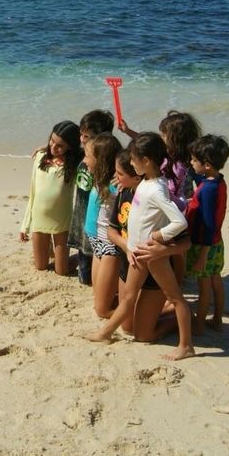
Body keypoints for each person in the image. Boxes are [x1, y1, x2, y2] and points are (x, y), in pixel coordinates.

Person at [86, 133, 195, 360]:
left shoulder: (157, 189)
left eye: (134, 160)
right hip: (136, 253)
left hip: (152, 255)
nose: (131, 163)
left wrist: (160, 237)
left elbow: (180, 222)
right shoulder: (145, 182)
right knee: (128, 299)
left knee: (175, 298)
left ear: (146, 161)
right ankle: (105, 333)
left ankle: (186, 346)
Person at [19, 121, 84, 275]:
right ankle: (47, 249)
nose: (54, 147)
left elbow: (93, 151)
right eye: (52, 141)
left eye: (60, 145)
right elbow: (33, 193)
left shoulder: (75, 164)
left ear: (71, 146)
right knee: (40, 267)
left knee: (61, 271)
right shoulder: (40, 157)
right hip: (39, 220)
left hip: (61, 222)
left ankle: (86, 257)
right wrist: (25, 224)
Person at [184, 134, 229, 334]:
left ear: (207, 165)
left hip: (205, 244)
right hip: (216, 242)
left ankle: (199, 325)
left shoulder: (208, 190)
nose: (190, 162)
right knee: (215, 281)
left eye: (194, 160)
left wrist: (202, 253)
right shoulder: (218, 181)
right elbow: (201, 179)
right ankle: (218, 319)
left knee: (204, 287)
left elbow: (208, 222)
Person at [120, 110, 203, 209]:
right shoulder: (167, 153)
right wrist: (127, 131)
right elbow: (147, 143)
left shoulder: (185, 164)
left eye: (163, 135)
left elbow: (170, 193)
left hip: (175, 206)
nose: (160, 138)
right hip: (166, 201)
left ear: (176, 140)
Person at [70, 110, 115, 285]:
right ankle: (84, 273)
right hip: (81, 212)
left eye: (86, 136)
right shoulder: (83, 154)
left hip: (97, 217)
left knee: (93, 253)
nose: (81, 139)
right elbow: (63, 145)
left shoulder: (109, 164)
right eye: (81, 134)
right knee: (83, 249)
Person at [82, 132, 123, 318]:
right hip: (96, 242)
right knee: (98, 298)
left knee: (102, 311)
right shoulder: (99, 177)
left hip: (109, 247)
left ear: (101, 160)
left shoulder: (118, 185)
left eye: (88, 156)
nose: (84, 160)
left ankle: (162, 309)